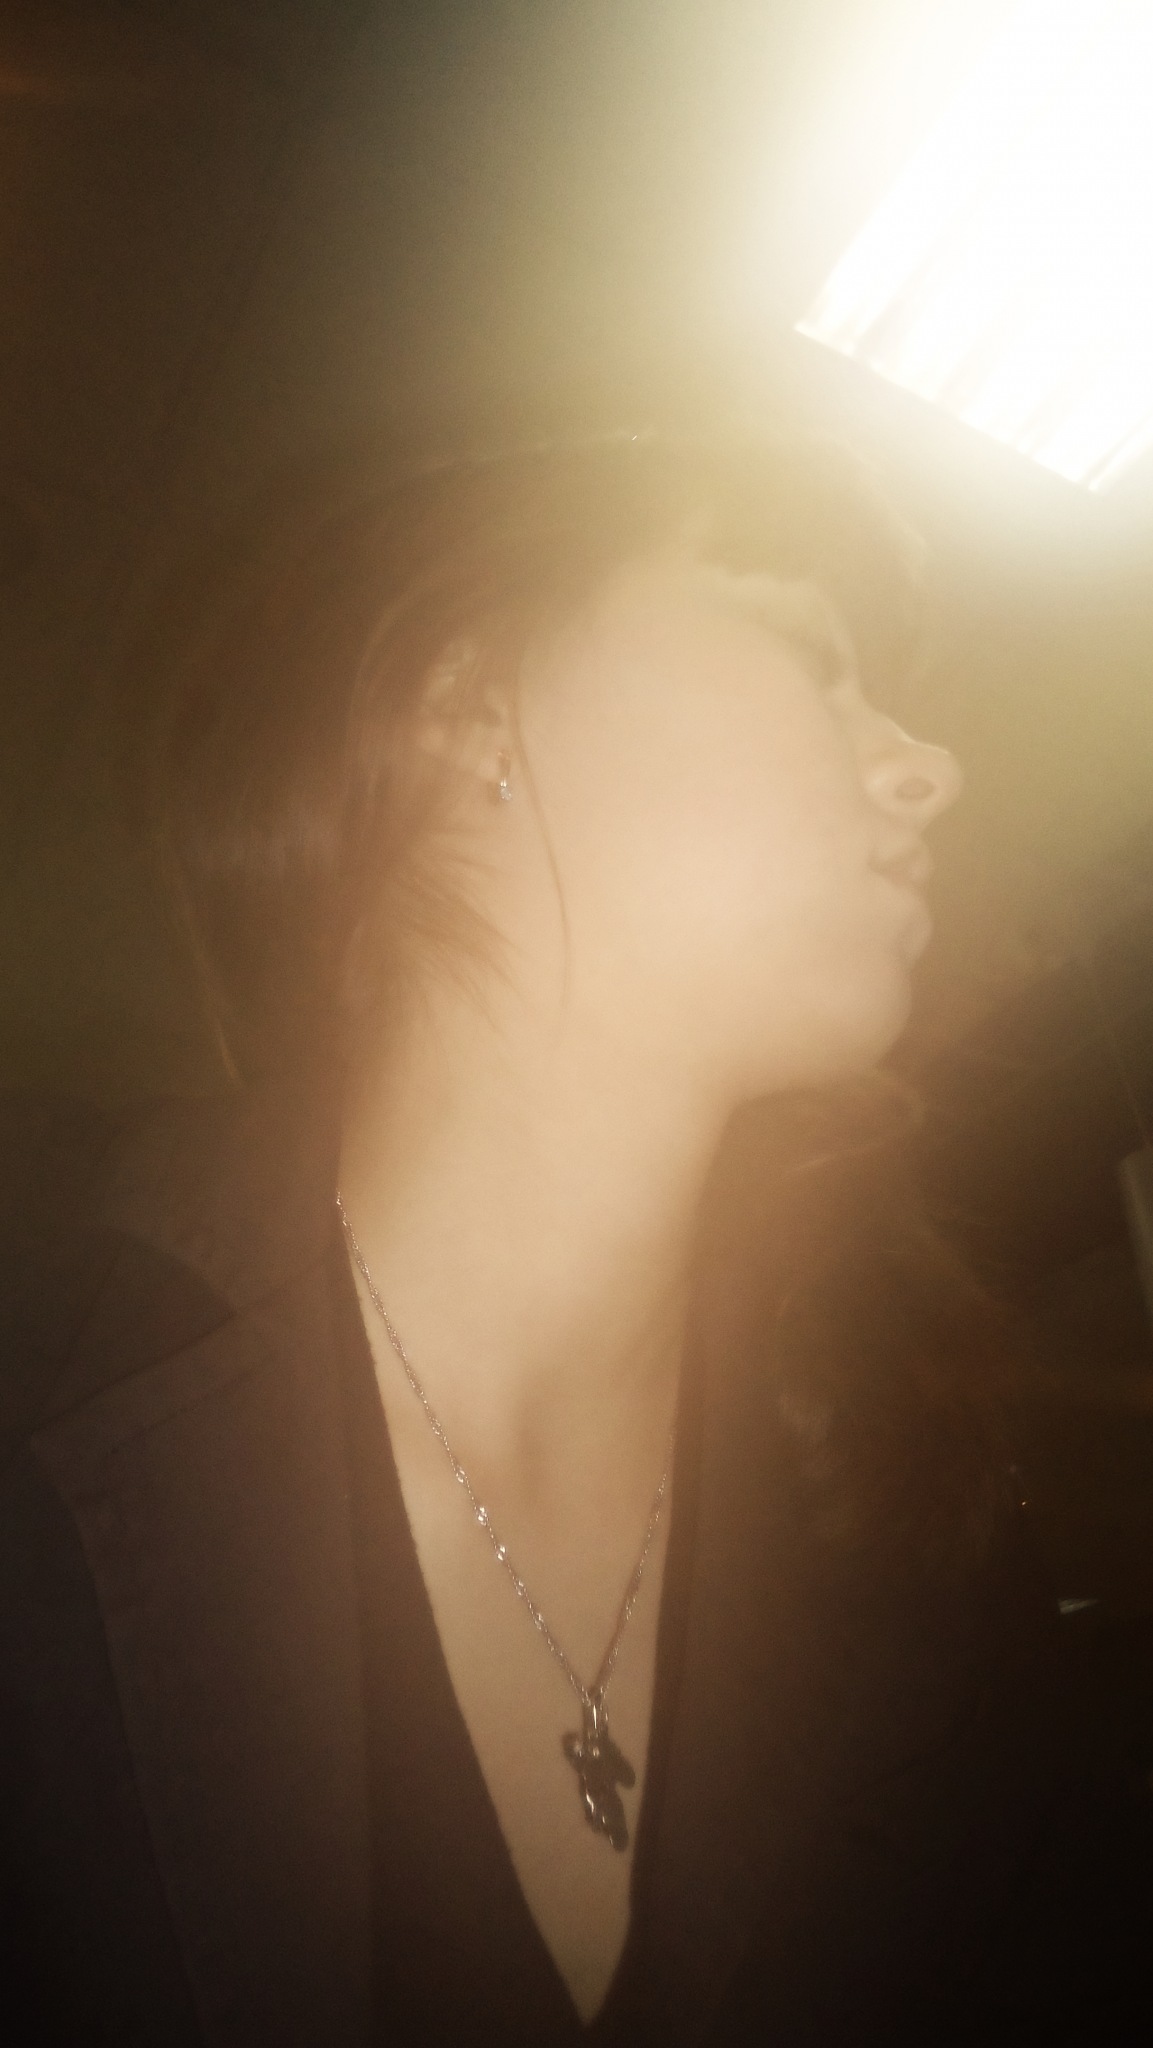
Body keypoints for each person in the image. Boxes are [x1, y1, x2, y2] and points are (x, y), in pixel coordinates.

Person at [1, 433, 1148, 2045]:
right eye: (810, 651)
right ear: (466, 698)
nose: (929, 768)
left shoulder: (920, 1541)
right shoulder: (44, 1343)